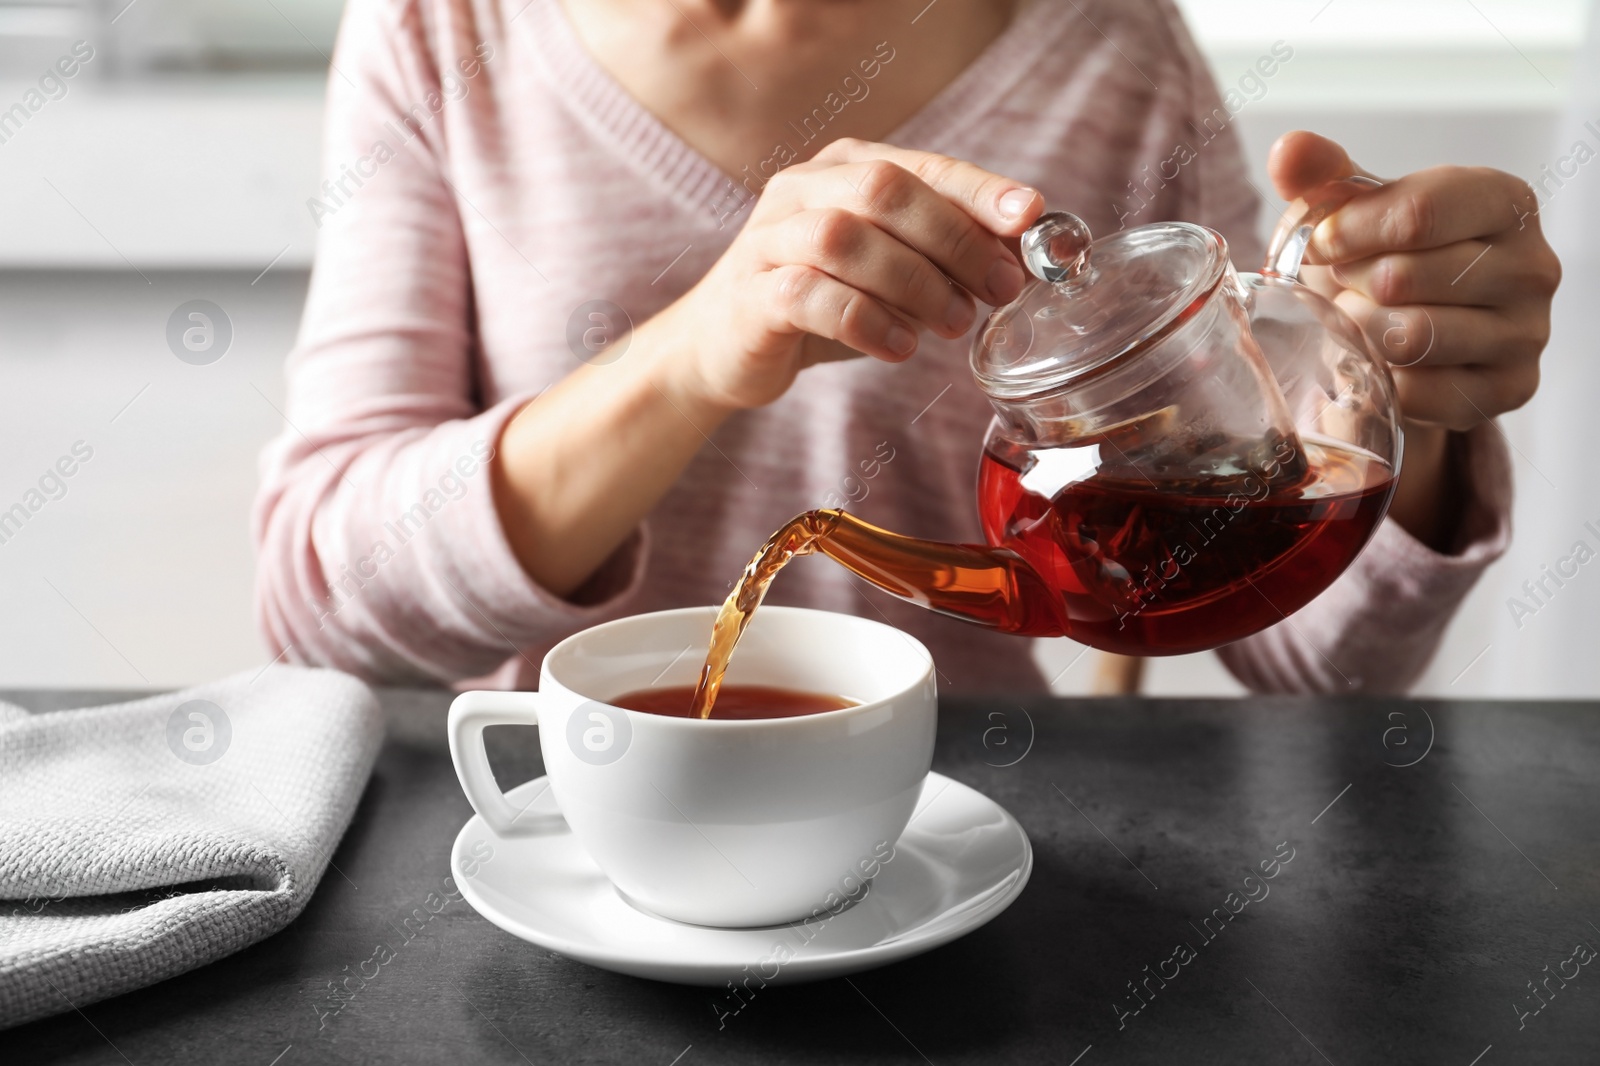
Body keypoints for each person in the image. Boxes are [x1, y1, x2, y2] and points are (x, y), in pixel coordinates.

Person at [253, 0, 1558, 692]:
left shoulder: (1114, 55)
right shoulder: (444, 30)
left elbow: (1301, 659)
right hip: (572, 830)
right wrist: (698, 352)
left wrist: (1405, 390)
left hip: (967, 844)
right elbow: (324, 604)